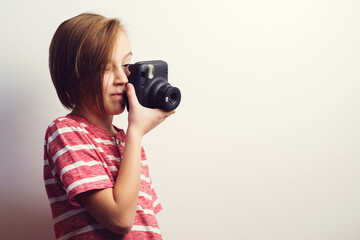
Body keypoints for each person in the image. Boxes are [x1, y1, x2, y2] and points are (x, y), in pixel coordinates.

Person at [43, 13, 175, 240]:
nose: (122, 78)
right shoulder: (65, 132)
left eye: (125, 65)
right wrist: (136, 132)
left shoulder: (128, 142)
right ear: (73, 76)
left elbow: (144, 226)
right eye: (104, 68)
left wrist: (133, 136)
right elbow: (120, 219)